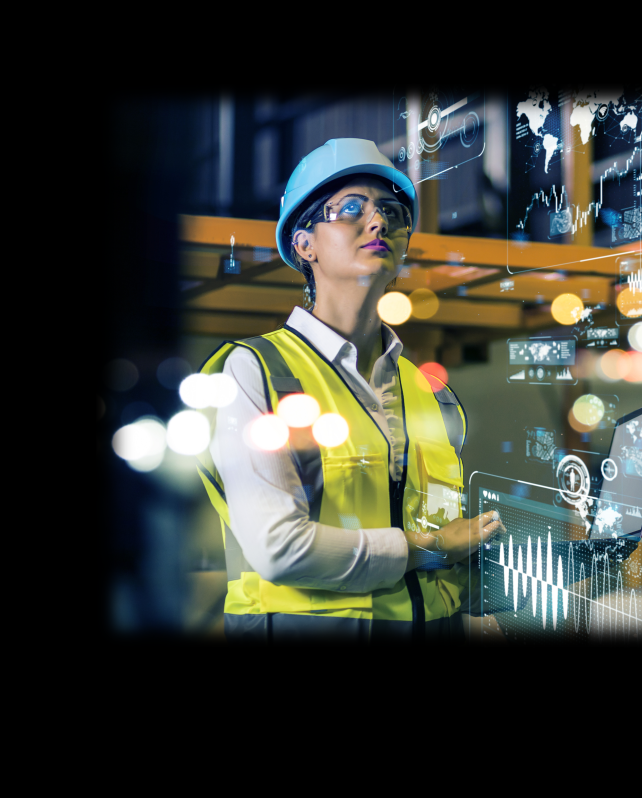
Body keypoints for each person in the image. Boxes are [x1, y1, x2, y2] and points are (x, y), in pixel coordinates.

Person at [195, 138, 505, 642]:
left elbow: (444, 564)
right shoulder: (256, 373)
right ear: (304, 244)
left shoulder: (428, 391)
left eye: (391, 211)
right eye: (351, 209)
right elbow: (279, 549)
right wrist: (431, 547)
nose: (378, 222)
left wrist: (549, 571)